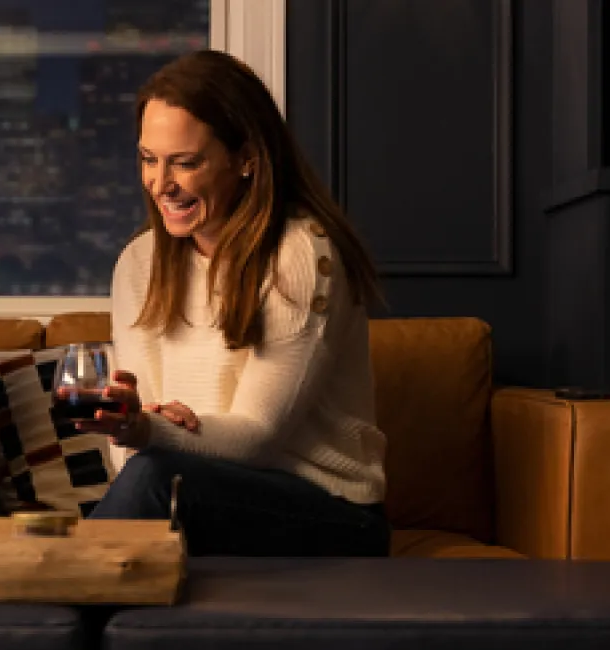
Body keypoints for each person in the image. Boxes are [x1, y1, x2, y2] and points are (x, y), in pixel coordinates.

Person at [78, 50, 391, 557]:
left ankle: (50, 605)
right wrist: (136, 424)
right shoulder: (140, 263)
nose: (161, 184)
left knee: (158, 478)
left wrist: (148, 430)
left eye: (186, 162)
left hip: (330, 512)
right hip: (193, 493)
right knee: (151, 479)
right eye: (148, 159)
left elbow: (258, 437)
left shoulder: (300, 253)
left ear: (246, 157)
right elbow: (132, 447)